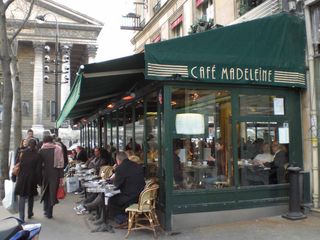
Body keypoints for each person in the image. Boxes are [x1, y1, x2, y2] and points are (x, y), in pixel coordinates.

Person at [108, 151, 145, 220]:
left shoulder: (120, 168)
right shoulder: (137, 165)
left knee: (111, 200)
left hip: (130, 197)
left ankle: (122, 219)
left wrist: (111, 181)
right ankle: (124, 216)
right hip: (141, 195)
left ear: (118, 160)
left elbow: (116, 185)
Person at [14, 139, 41, 221]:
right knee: (31, 196)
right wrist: (39, 181)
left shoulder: (22, 152)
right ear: (35, 145)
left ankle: (21, 217)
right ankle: (30, 213)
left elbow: (16, 164)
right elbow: (38, 170)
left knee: (22, 197)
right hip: (32, 178)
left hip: (22, 177)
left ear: (28, 145)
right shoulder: (38, 155)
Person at [38, 135, 64, 219]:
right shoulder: (58, 149)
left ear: (44, 141)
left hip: (44, 173)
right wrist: (61, 177)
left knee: (45, 191)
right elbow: (61, 164)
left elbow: (39, 164)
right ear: (51, 140)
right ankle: (49, 212)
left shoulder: (41, 150)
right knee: (52, 193)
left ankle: (45, 210)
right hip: (55, 173)